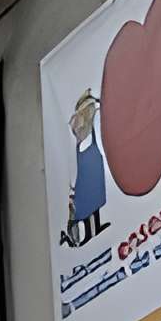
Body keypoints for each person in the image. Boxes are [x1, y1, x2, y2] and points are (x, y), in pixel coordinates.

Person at [68, 87, 108, 244]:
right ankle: (88, 233)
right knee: (86, 205)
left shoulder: (92, 130)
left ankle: (96, 228)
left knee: (95, 202)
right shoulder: (78, 134)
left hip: (94, 173)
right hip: (84, 178)